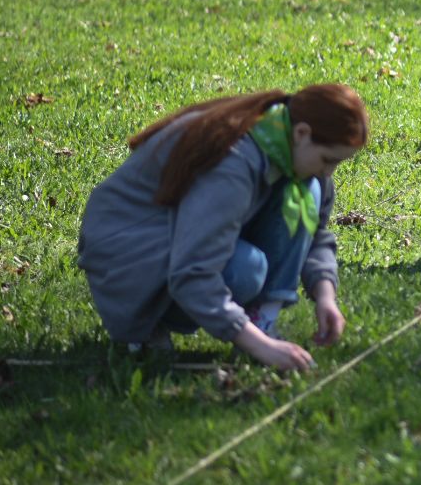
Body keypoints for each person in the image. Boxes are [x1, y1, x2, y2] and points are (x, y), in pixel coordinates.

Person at [77, 84, 369, 371]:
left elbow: (314, 234)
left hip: (177, 241)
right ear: (302, 133)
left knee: (309, 192)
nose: (329, 172)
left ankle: (262, 322)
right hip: (129, 259)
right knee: (246, 269)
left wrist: (325, 295)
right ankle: (148, 324)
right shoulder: (234, 165)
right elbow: (193, 272)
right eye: (328, 159)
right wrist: (256, 345)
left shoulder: (286, 148)